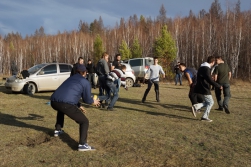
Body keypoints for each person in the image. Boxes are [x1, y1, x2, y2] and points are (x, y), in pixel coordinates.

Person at [50, 64, 100, 151]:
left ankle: (57, 130)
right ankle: (82, 144)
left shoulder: (70, 78)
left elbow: (69, 93)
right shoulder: (85, 82)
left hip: (54, 101)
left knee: (61, 109)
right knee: (84, 121)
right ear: (85, 73)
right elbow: (87, 100)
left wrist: (79, 105)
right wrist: (93, 101)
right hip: (65, 104)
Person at [192, 56, 222, 122]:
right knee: (211, 102)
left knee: (208, 102)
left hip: (201, 87)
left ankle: (196, 107)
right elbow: (209, 80)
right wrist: (218, 85)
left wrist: (211, 78)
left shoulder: (202, 67)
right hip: (204, 88)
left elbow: (206, 77)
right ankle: (204, 116)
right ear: (213, 62)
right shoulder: (206, 68)